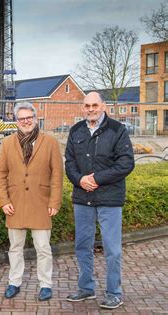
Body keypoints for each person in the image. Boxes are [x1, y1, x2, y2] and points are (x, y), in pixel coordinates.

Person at [65, 91, 134, 309]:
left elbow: (126, 163)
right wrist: (79, 179)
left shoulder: (117, 130)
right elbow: (69, 162)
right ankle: (86, 288)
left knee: (112, 249)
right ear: (83, 108)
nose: (91, 109)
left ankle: (114, 292)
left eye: (95, 105)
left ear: (103, 106)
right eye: (87, 105)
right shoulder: (76, 131)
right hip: (82, 197)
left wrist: (96, 178)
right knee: (82, 246)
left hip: (109, 199)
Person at [0, 102, 63, 301]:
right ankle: (14, 282)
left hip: (40, 203)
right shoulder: (7, 143)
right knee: (15, 247)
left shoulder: (50, 142)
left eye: (29, 118)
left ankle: (45, 284)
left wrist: (54, 202)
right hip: (14, 203)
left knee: (43, 247)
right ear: (16, 121)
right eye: (21, 118)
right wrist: (3, 200)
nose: (25, 121)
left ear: (35, 119)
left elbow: (57, 174)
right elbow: (1, 174)